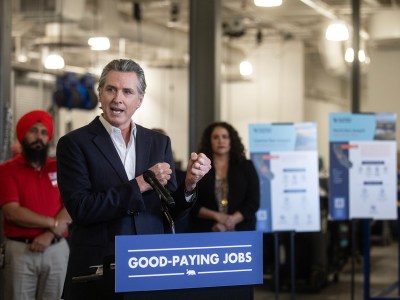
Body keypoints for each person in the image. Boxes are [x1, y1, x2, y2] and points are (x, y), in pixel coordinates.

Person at [56, 58, 211, 299]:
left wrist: (190, 183)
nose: (118, 98)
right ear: (100, 94)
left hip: (150, 265)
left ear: (139, 101)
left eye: (127, 92)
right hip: (98, 267)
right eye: (111, 89)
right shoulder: (74, 144)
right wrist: (140, 183)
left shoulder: (159, 143)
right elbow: (81, 208)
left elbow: (170, 211)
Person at [0, 110, 71, 300]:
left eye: (44, 132)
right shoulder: (6, 170)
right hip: (21, 252)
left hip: (56, 249)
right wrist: (52, 223)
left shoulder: (59, 167)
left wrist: (50, 234)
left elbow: (71, 206)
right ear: (22, 135)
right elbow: (12, 212)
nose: (39, 137)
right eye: (33, 131)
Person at [189, 121, 260, 232]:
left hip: (242, 229)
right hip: (206, 229)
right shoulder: (199, 167)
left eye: (225, 137)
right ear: (209, 142)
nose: (221, 140)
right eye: (216, 137)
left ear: (231, 140)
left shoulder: (246, 166)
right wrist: (217, 216)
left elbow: (253, 202)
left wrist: (230, 221)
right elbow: (191, 202)